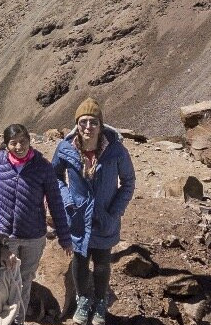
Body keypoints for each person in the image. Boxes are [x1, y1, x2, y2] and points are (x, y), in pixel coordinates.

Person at [0, 121, 73, 324]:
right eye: (14, 143)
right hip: (5, 234)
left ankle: (17, 320)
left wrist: (65, 237)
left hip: (33, 236)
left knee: (25, 278)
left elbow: (55, 202)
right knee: (5, 277)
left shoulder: (43, 167)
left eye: (23, 141)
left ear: (29, 141)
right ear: (6, 145)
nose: (19, 147)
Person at [52, 98, 135, 325]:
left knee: (101, 263)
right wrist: (67, 201)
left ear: (101, 124)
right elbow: (55, 177)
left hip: (104, 217)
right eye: (83, 122)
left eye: (93, 122)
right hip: (77, 217)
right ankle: (82, 299)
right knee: (79, 261)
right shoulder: (65, 148)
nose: (88, 127)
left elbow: (128, 181)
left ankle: (100, 301)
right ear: (77, 124)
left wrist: (115, 211)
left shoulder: (116, 150)